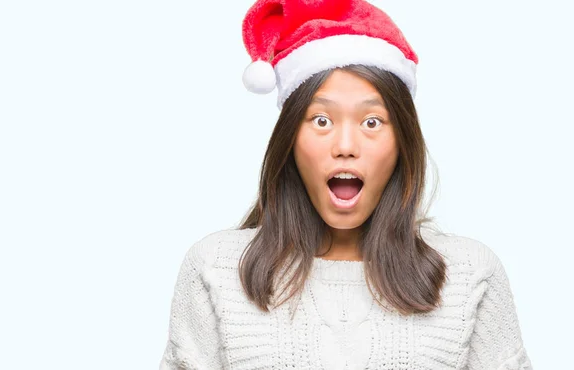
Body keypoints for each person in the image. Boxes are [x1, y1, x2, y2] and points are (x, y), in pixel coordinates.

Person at [159, 0, 533, 369]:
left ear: (402, 142)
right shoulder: (215, 268)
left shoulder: (469, 274)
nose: (345, 147)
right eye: (321, 120)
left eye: (372, 122)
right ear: (290, 139)